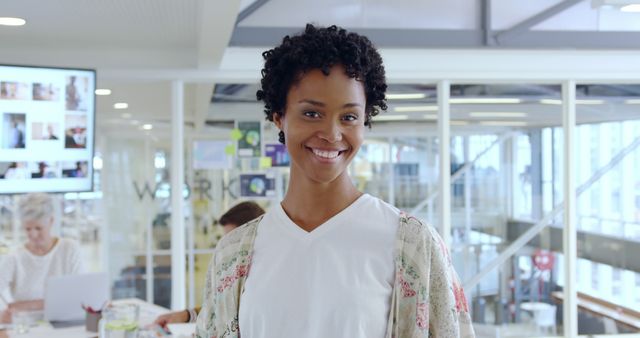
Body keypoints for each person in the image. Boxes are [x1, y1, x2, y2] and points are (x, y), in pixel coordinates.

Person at [195, 24, 475, 338]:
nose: (332, 134)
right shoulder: (235, 252)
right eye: (312, 114)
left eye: (349, 117)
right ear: (279, 117)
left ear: (365, 120)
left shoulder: (412, 245)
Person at [152, 201, 265, 330]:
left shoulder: (262, 279)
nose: (226, 249)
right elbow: (219, 309)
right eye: (225, 241)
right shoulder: (235, 272)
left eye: (232, 242)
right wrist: (185, 315)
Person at [0, 193, 84, 323]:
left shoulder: (69, 249)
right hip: (26, 329)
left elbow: (78, 297)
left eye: (38, 228)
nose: (33, 234)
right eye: (28, 229)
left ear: (51, 221)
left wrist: (25, 306)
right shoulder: (15, 257)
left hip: (65, 324)